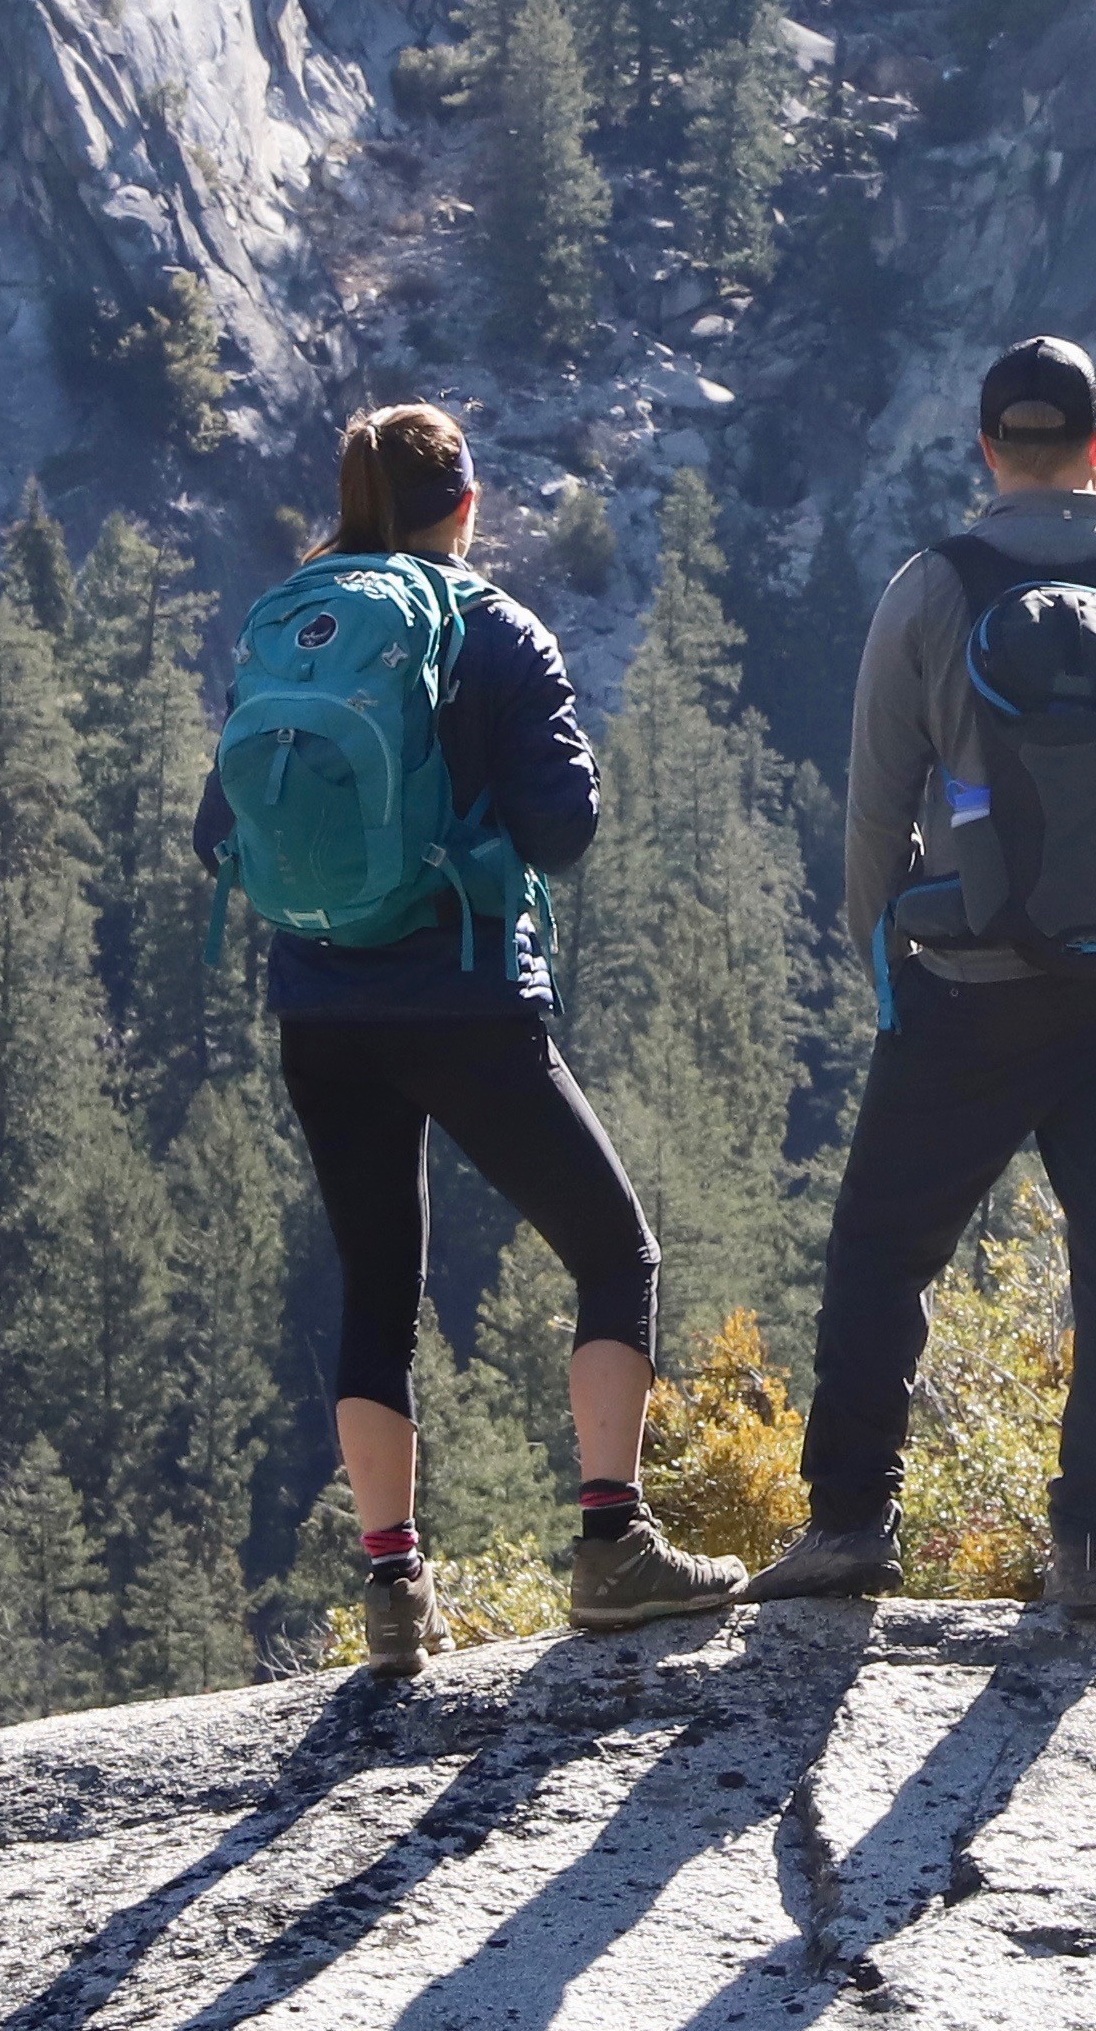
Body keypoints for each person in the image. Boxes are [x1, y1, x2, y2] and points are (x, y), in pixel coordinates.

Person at [207, 403, 743, 1665]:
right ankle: (612, 1545)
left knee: (378, 1287)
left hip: (320, 1010)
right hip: (464, 994)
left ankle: (393, 1592)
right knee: (618, 1252)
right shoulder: (491, 627)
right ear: (467, 503)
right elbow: (565, 827)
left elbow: (214, 830)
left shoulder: (289, 628)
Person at [749, 334, 1096, 1632]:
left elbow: (876, 808)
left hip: (968, 985)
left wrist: (887, 971)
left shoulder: (933, 591)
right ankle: (1094, 1545)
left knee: (882, 1247)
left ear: (989, 453)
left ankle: (853, 1522)